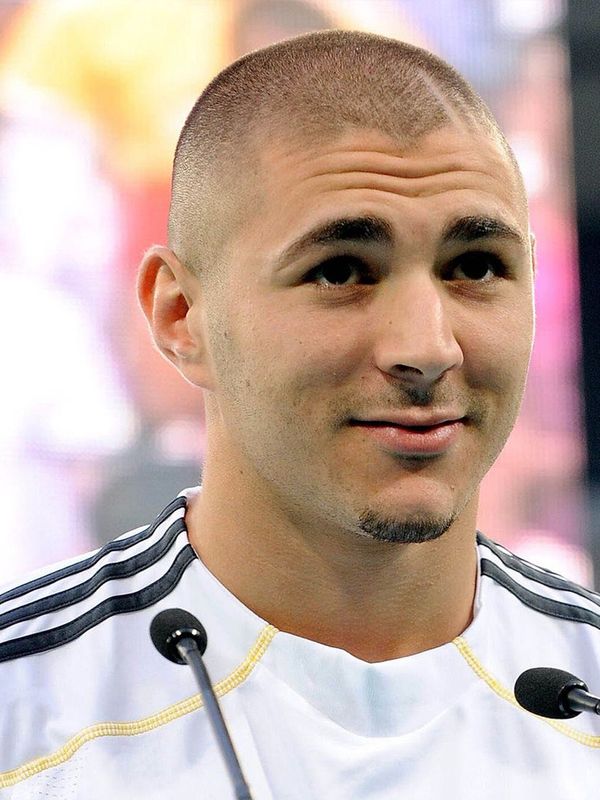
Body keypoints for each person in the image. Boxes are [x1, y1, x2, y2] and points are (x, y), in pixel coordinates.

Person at [0, 30, 599, 799]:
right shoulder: (25, 714)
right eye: (341, 272)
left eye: (477, 266)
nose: (428, 348)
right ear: (181, 316)